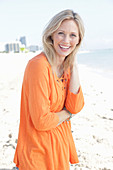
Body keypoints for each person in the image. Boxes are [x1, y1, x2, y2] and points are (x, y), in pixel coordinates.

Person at [14, 9, 85, 170]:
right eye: (61, 33)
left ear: (79, 40)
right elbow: (41, 121)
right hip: (37, 153)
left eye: (73, 35)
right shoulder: (38, 65)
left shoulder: (67, 67)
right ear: (51, 35)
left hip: (59, 149)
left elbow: (76, 106)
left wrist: (74, 65)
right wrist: (67, 114)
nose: (66, 40)